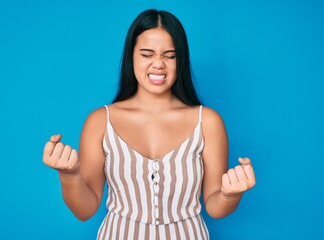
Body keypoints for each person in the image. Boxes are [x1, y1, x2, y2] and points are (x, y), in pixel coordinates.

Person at [43, 9, 256, 240]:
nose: (158, 64)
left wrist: (231, 195)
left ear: (181, 59)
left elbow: (215, 207)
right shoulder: (99, 122)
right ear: (131, 56)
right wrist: (69, 174)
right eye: (147, 54)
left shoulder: (208, 122)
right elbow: (85, 211)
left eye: (170, 55)